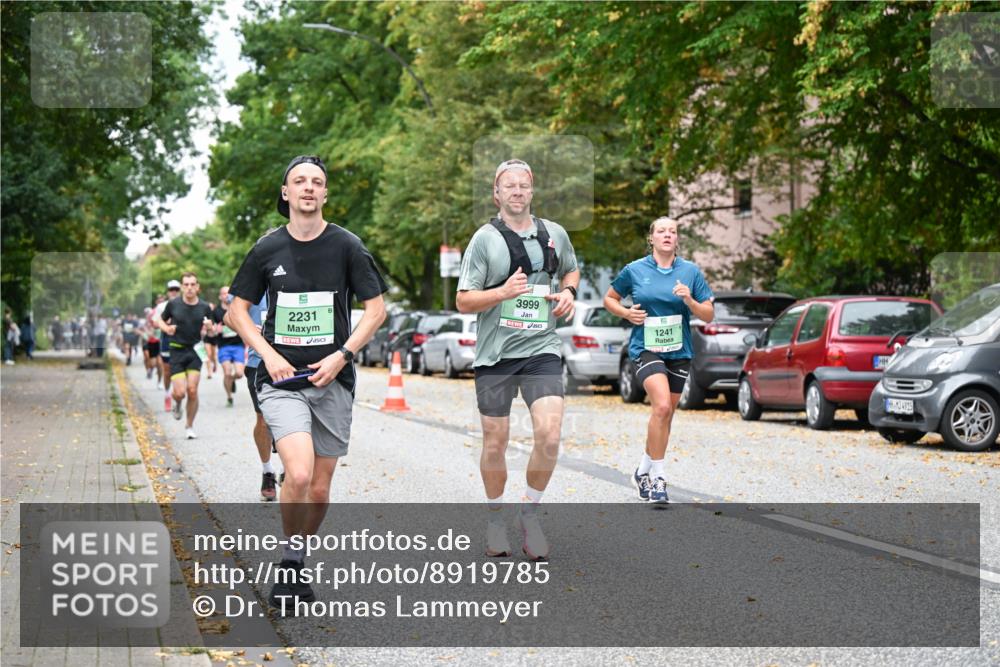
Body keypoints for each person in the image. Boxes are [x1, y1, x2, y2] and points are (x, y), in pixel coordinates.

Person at [227, 155, 387, 612]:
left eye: (317, 182)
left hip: (334, 378)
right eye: (299, 181)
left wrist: (342, 355)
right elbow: (238, 310)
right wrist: (270, 355)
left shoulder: (348, 246)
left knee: (318, 489)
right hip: (281, 379)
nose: (308, 188)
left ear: (325, 193)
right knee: (296, 473)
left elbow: (375, 310)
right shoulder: (266, 249)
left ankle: (296, 556)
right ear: (286, 193)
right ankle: (291, 565)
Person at [455, 159, 580, 561]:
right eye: (509, 186)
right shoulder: (484, 240)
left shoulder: (554, 234)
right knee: (496, 442)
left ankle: (529, 513)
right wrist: (502, 293)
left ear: (532, 190)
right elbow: (463, 299)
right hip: (496, 355)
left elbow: (572, 272)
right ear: (497, 194)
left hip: (541, 348)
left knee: (549, 434)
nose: (517, 192)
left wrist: (568, 293)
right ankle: (495, 518)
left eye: (524, 185)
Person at [603, 216, 714, 504]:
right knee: (662, 405)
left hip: (679, 351)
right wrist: (626, 313)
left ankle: (642, 470)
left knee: (666, 415)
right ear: (651, 238)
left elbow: (708, 314)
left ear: (677, 240)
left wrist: (689, 300)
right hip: (645, 348)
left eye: (673, 231)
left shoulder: (690, 272)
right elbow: (609, 299)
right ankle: (658, 479)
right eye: (661, 231)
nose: (667, 235)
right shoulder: (635, 270)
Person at [226, 293, 282, 500]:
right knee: (264, 420)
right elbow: (229, 316)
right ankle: (268, 471)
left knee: (296, 419)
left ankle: (290, 467)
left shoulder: (298, 274)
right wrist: (247, 330)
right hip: (258, 363)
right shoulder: (254, 277)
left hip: (295, 362)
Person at [157, 272, 213, 440]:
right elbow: (160, 320)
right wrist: (166, 329)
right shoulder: (173, 305)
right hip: (177, 350)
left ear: (197, 287)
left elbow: (211, 330)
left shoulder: (204, 307)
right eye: (186, 284)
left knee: (193, 390)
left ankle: (189, 426)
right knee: (180, 392)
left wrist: (209, 327)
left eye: (192, 284)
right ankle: (177, 402)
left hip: (195, 351)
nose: (189, 287)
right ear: (182, 287)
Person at [212, 286, 246, 407]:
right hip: (224, 346)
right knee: (227, 373)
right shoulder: (215, 311)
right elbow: (210, 330)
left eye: (228, 293)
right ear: (220, 296)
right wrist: (216, 329)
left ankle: (231, 381)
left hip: (238, 345)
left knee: (239, 373)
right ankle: (229, 397)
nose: (226, 295)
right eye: (224, 293)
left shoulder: (238, 308)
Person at [156, 280, 182, 411]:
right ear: (168, 292)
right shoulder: (162, 306)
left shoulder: (185, 304)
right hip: (167, 340)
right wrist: (167, 325)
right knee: (167, 371)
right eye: (171, 289)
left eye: (176, 289)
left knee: (181, 370)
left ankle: (178, 395)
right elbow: (156, 323)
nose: (174, 292)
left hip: (183, 341)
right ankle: (167, 394)